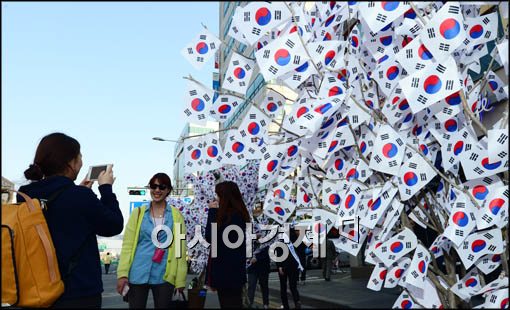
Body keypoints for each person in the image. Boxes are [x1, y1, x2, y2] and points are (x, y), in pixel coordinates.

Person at [18, 132, 124, 308]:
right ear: (71, 163)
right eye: (80, 156)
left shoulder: (25, 195)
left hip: (35, 288)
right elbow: (113, 225)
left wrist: (76, 191)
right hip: (77, 292)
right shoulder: (79, 196)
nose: (82, 162)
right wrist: (106, 188)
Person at [116, 173, 188, 309]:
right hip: (138, 272)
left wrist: (180, 280)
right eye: (154, 186)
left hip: (165, 275)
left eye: (162, 186)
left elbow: (180, 249)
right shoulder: (137, 213)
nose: (157, 190)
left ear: (168, 190)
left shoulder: (176, 215)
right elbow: (127, 246)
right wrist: (122, 274)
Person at [205, 181, 251, 308]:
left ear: (224, 196)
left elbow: (210, 237)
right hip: (233, 273)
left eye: (218, 195)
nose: (216, 198)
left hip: (227, 274)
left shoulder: (231, 216)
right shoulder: (238, 214)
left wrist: (212, 212)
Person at [276, 228, 304, 309]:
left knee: (283, 287)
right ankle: (297, 301)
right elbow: (301, 253)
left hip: (284, 266)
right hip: (294, 266)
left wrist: (279, 266)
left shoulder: (281, 240)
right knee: (293, 287)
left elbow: (279, 254)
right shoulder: (298, 241)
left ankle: (285, 306)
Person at [246, 238, 270, 309]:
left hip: (263, 268)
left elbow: (266, 253)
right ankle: (250, 304)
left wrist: (257, 258)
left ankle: (266, 304)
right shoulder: (249, 242)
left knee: (264, 286)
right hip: (252, 269)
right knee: (251, 286)